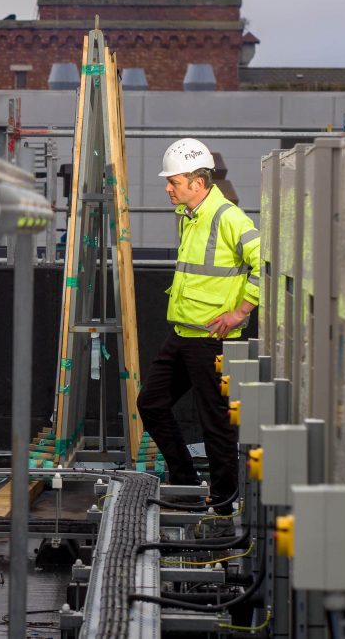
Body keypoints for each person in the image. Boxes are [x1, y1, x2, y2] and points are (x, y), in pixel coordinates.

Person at [136, 138, 261, 509]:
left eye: (173, 182)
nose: (167, 188)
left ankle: (223, 502)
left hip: (213, 341)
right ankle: (187, 481)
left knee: (216, 423)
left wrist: (240, 312)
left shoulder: (229, 218)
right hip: (183, 334)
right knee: (151, 403)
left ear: (198, 182)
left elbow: (266, 263)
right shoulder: (188, 218)